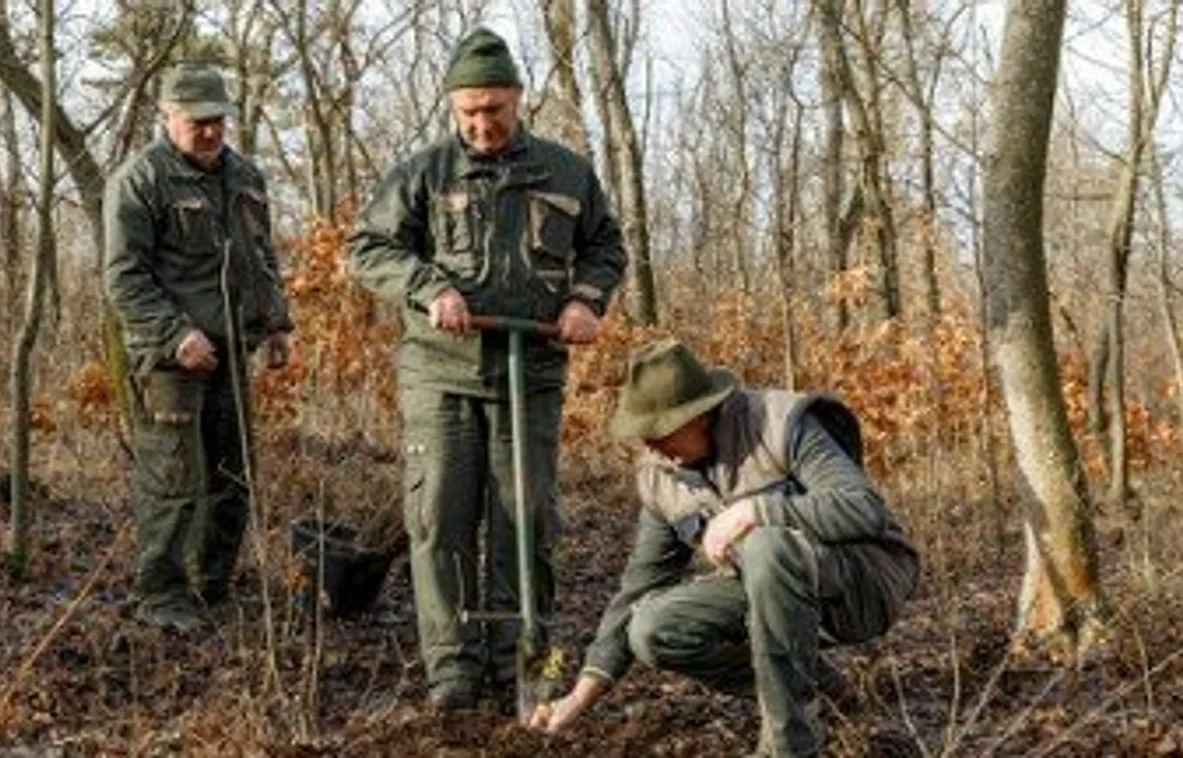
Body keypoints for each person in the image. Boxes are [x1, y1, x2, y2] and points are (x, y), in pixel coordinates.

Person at [347, 28, 627, 710]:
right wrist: (429, 289)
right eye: (468, 111)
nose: (481, 123)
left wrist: (586, 301)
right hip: (440, 373)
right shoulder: (423, 173)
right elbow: (368, 247)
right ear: (452, 107)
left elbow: (605, 247)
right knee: (440, 514)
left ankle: (520, 656)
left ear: (517, 99)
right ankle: (452, 665)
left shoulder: (564, 173)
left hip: (529, 368)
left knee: (523, 517)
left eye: (493, 109)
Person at [531, 338, 919, 757]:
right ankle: (821, 692)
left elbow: (863, 509)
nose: (650, 447)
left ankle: (791, 745)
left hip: (863, 583)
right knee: (652, 629)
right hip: (772, 594)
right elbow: (637, 589)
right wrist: (577, 698)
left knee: (767, 546)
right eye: (643, 435)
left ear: (699, 415)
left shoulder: (779, 422)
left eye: (659, 431)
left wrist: (757, 510)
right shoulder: (661, 477)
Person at [104, 62, 293, 633]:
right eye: (195, 121)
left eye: (216, 120)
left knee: (233, 479)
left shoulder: (246, 176)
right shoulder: (140, 179)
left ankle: (212, 587)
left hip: (233, 350)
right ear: (166, 118)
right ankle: (162, 596)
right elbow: (123, 277)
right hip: (170, 359)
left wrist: (278, 323)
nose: (209, 132)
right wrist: (174, 333)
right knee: (174, 480)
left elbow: (262, 258)